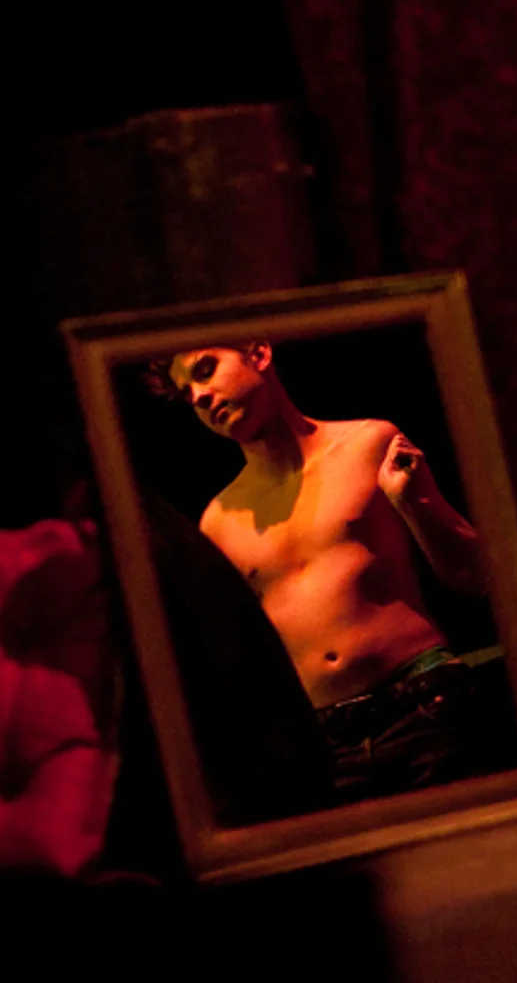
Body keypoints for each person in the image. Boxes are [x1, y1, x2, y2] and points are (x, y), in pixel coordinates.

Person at [144, 339, 495, 800]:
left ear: (257, 353)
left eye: (205, 370)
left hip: (425, 709)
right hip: (326, 749)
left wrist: (415, 501)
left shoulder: (367, 444)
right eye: (187, 394)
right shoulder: (218, 521)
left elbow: (476, 577)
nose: (201, 397)